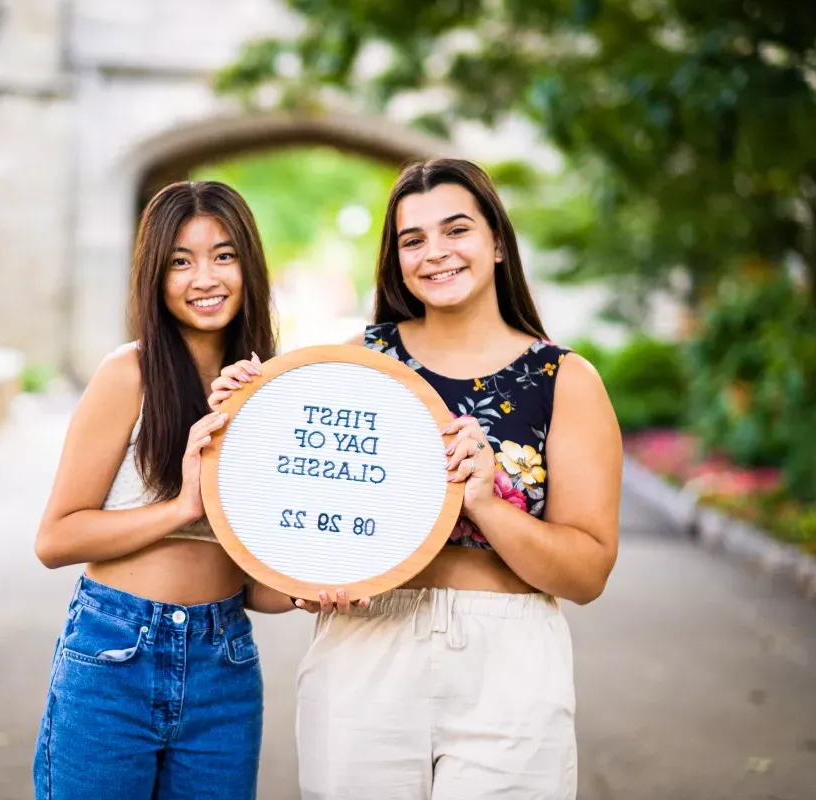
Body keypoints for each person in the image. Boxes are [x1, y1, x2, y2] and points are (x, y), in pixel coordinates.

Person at [210, 159, 622, 800]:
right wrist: (250, 413)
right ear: (397, 260)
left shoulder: (564, 380)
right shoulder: (358, 363)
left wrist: (487, 503)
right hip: (364, 645)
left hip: (510, 658)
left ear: (498, 243)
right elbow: (283, 510)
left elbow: (588, 573)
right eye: (412, 239)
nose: (435, 253)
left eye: (455, 229)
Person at [31, 180, 278, 800]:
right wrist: (182, 508)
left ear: (248, 266)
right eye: (180, 260)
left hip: (224, 661)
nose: (205, 277)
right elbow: (57, 538)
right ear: (154, 274)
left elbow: (263, 589)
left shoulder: (273, 389)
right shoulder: (128, 373)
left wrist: (321, 580)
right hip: (116, 652)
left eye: (224, 256)